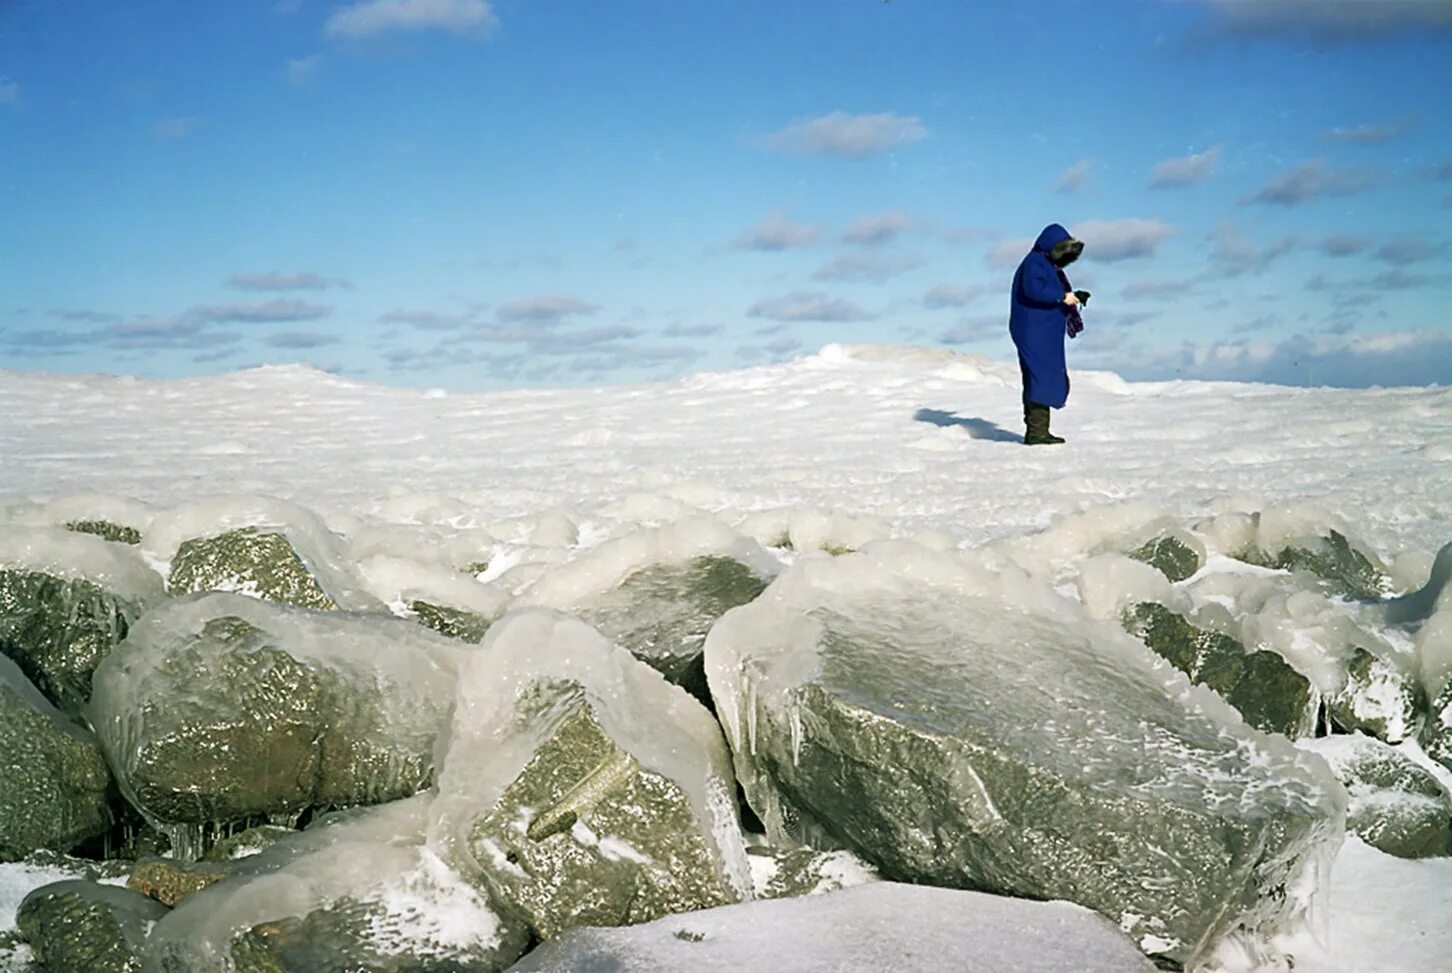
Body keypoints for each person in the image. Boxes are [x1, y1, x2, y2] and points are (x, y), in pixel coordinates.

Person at [1009, 223, 1086, 445]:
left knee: (1042, 376)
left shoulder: (1044, 263)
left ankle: (1039, 430)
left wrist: (1071, 297)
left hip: (1041, 332)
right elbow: (1034, 289)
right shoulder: (1035, 262)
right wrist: (1063, 297)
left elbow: (1043, 290)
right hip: (1035, 332)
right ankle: (1036, 432)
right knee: (1039, 377)